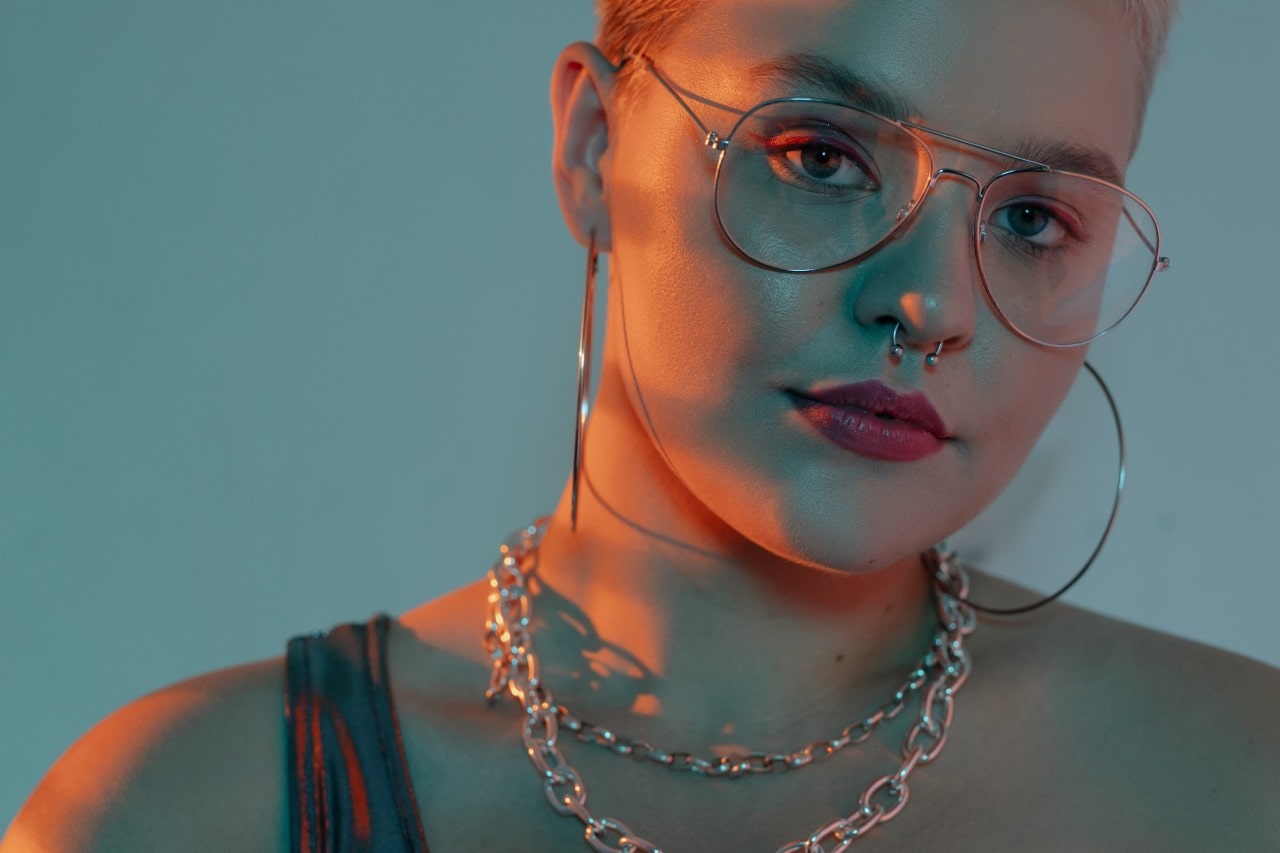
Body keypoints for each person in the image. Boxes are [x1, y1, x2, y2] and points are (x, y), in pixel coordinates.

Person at [5, 0, 1279, 849]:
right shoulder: (189, 815)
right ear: (592, 146)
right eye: (819, 157)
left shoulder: (1238, 787)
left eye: (1031, 219)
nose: (929, 303)